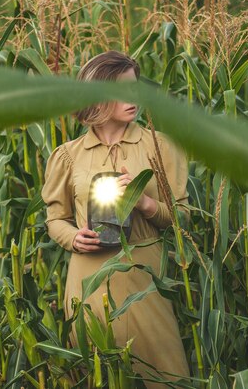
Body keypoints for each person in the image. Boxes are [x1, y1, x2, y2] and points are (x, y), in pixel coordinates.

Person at [40, 50, 191, 387]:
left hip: (145, 280)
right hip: (88, 284)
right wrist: (73, 238)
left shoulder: (161, 146)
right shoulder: (67, 156)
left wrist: (145, 203)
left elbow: (181, 216)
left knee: (166, 376)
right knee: (96, 376)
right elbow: (55, 219)